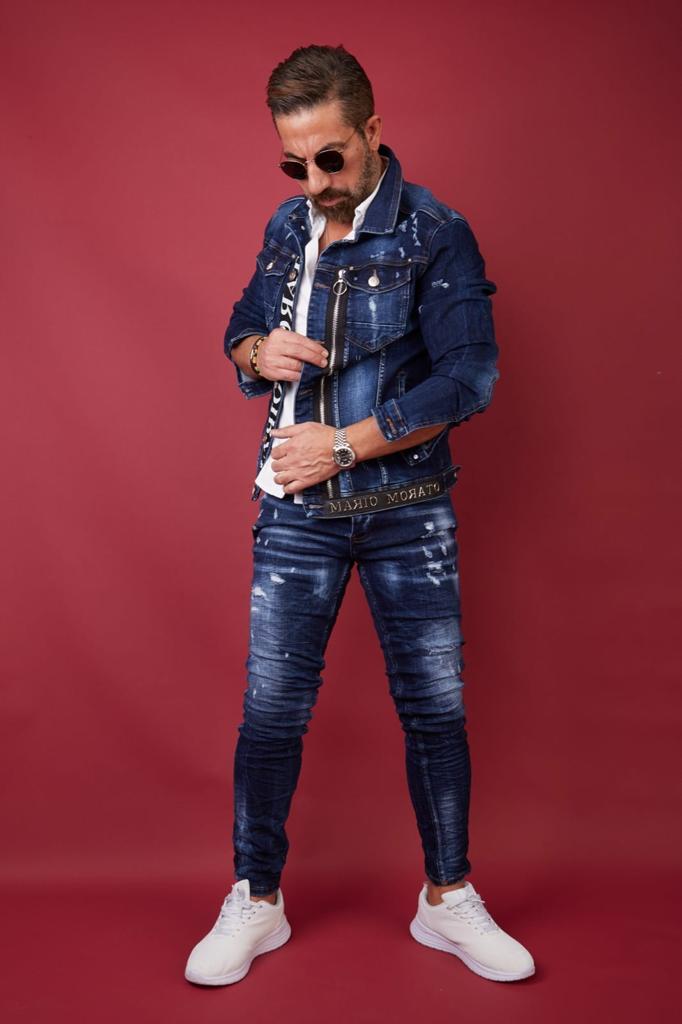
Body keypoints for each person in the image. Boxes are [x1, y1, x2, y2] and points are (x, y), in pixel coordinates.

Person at [185, 44, 535, 987]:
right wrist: (256, 351)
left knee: (435, 710)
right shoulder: (286, 224)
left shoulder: (436, 233)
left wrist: (343, 445)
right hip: (296, 513)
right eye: (294, 163)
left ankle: (447, 900)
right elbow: (240, 323)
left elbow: (470, 378)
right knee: (271, 712)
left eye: (330, 157)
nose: (315, 182)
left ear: (373, 131)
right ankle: (257, 900)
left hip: (407, 509)